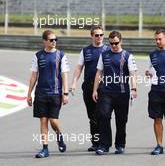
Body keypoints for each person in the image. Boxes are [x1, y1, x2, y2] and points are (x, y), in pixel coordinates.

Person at [92, 31, 137, 155]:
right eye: (111, 43)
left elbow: (133, 74)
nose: (113, 46)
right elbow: (99, 73)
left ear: (121, 41)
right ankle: (104, 144)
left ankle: (120, 144)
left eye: (116, 43)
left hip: (122, 93)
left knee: (121, 120)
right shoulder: (104, 55)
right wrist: (95, 90)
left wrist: (134, 89)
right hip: (106, 92)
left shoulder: (128, 56)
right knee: (103, 116)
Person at [27, 30, 70, 158]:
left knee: (53, 121)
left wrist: (66, 93)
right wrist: (29, 93)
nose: (54, 42)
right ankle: (45, 149)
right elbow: (33, 76)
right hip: (41, 93)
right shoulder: (38, 55)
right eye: (51, 40)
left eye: (55, 39)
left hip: (56, 93)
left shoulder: (61, 55)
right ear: (45, 41)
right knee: (43, 121)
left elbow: (64, 75)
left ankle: (59, 135)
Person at [70, 25, 108, 151]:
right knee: (92, 116)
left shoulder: (108, 50)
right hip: (88, 86)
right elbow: (79, 67)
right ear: (92, 36)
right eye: (96, 35)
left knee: (102, 115)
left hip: (104, 87)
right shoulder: (85, 51)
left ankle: (104, 142)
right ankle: (96, 143)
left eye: (101, 35)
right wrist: (74, 82)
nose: (99, 37)